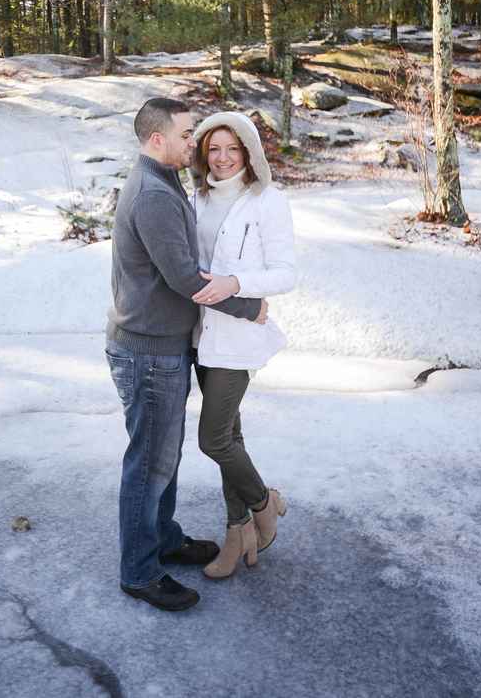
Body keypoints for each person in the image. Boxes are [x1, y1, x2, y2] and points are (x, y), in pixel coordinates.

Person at [106, 97, 268, 612]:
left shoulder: (163, 179)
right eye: (185, 133)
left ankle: (165, 538)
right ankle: (139, 571)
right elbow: (182, 276)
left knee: (163, 457)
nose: (192, 142)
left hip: (161, 347)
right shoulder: (153, 193)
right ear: (158, 138)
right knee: (149, 465)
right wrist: (247, 305)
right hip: (147, 352)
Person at [190, 111, 297, 579]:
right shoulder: (194, 198)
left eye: (233, 148)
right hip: (198, 333)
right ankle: (240, 535)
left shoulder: (267, 200)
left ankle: (263, 502)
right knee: (230, 437)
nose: (223, 158)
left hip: (237, 337)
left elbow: (286, 273)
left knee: (213, 439)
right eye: (214, 148)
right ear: (202, 154)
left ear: (249, 152)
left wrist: (237, 283)